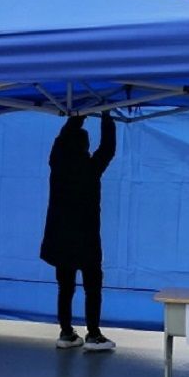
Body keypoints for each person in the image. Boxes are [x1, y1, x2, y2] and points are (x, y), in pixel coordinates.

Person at [39, 111, 116, 352]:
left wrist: (79, 114)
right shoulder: (91, 168)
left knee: (65, 287)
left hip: (60, 240)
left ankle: (66, 333)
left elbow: (61, 138)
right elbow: (108, 148)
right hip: (87, 239)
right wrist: (107, 116)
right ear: (85, 146)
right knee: (92, 288)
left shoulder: (57, 165)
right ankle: (93, 334)